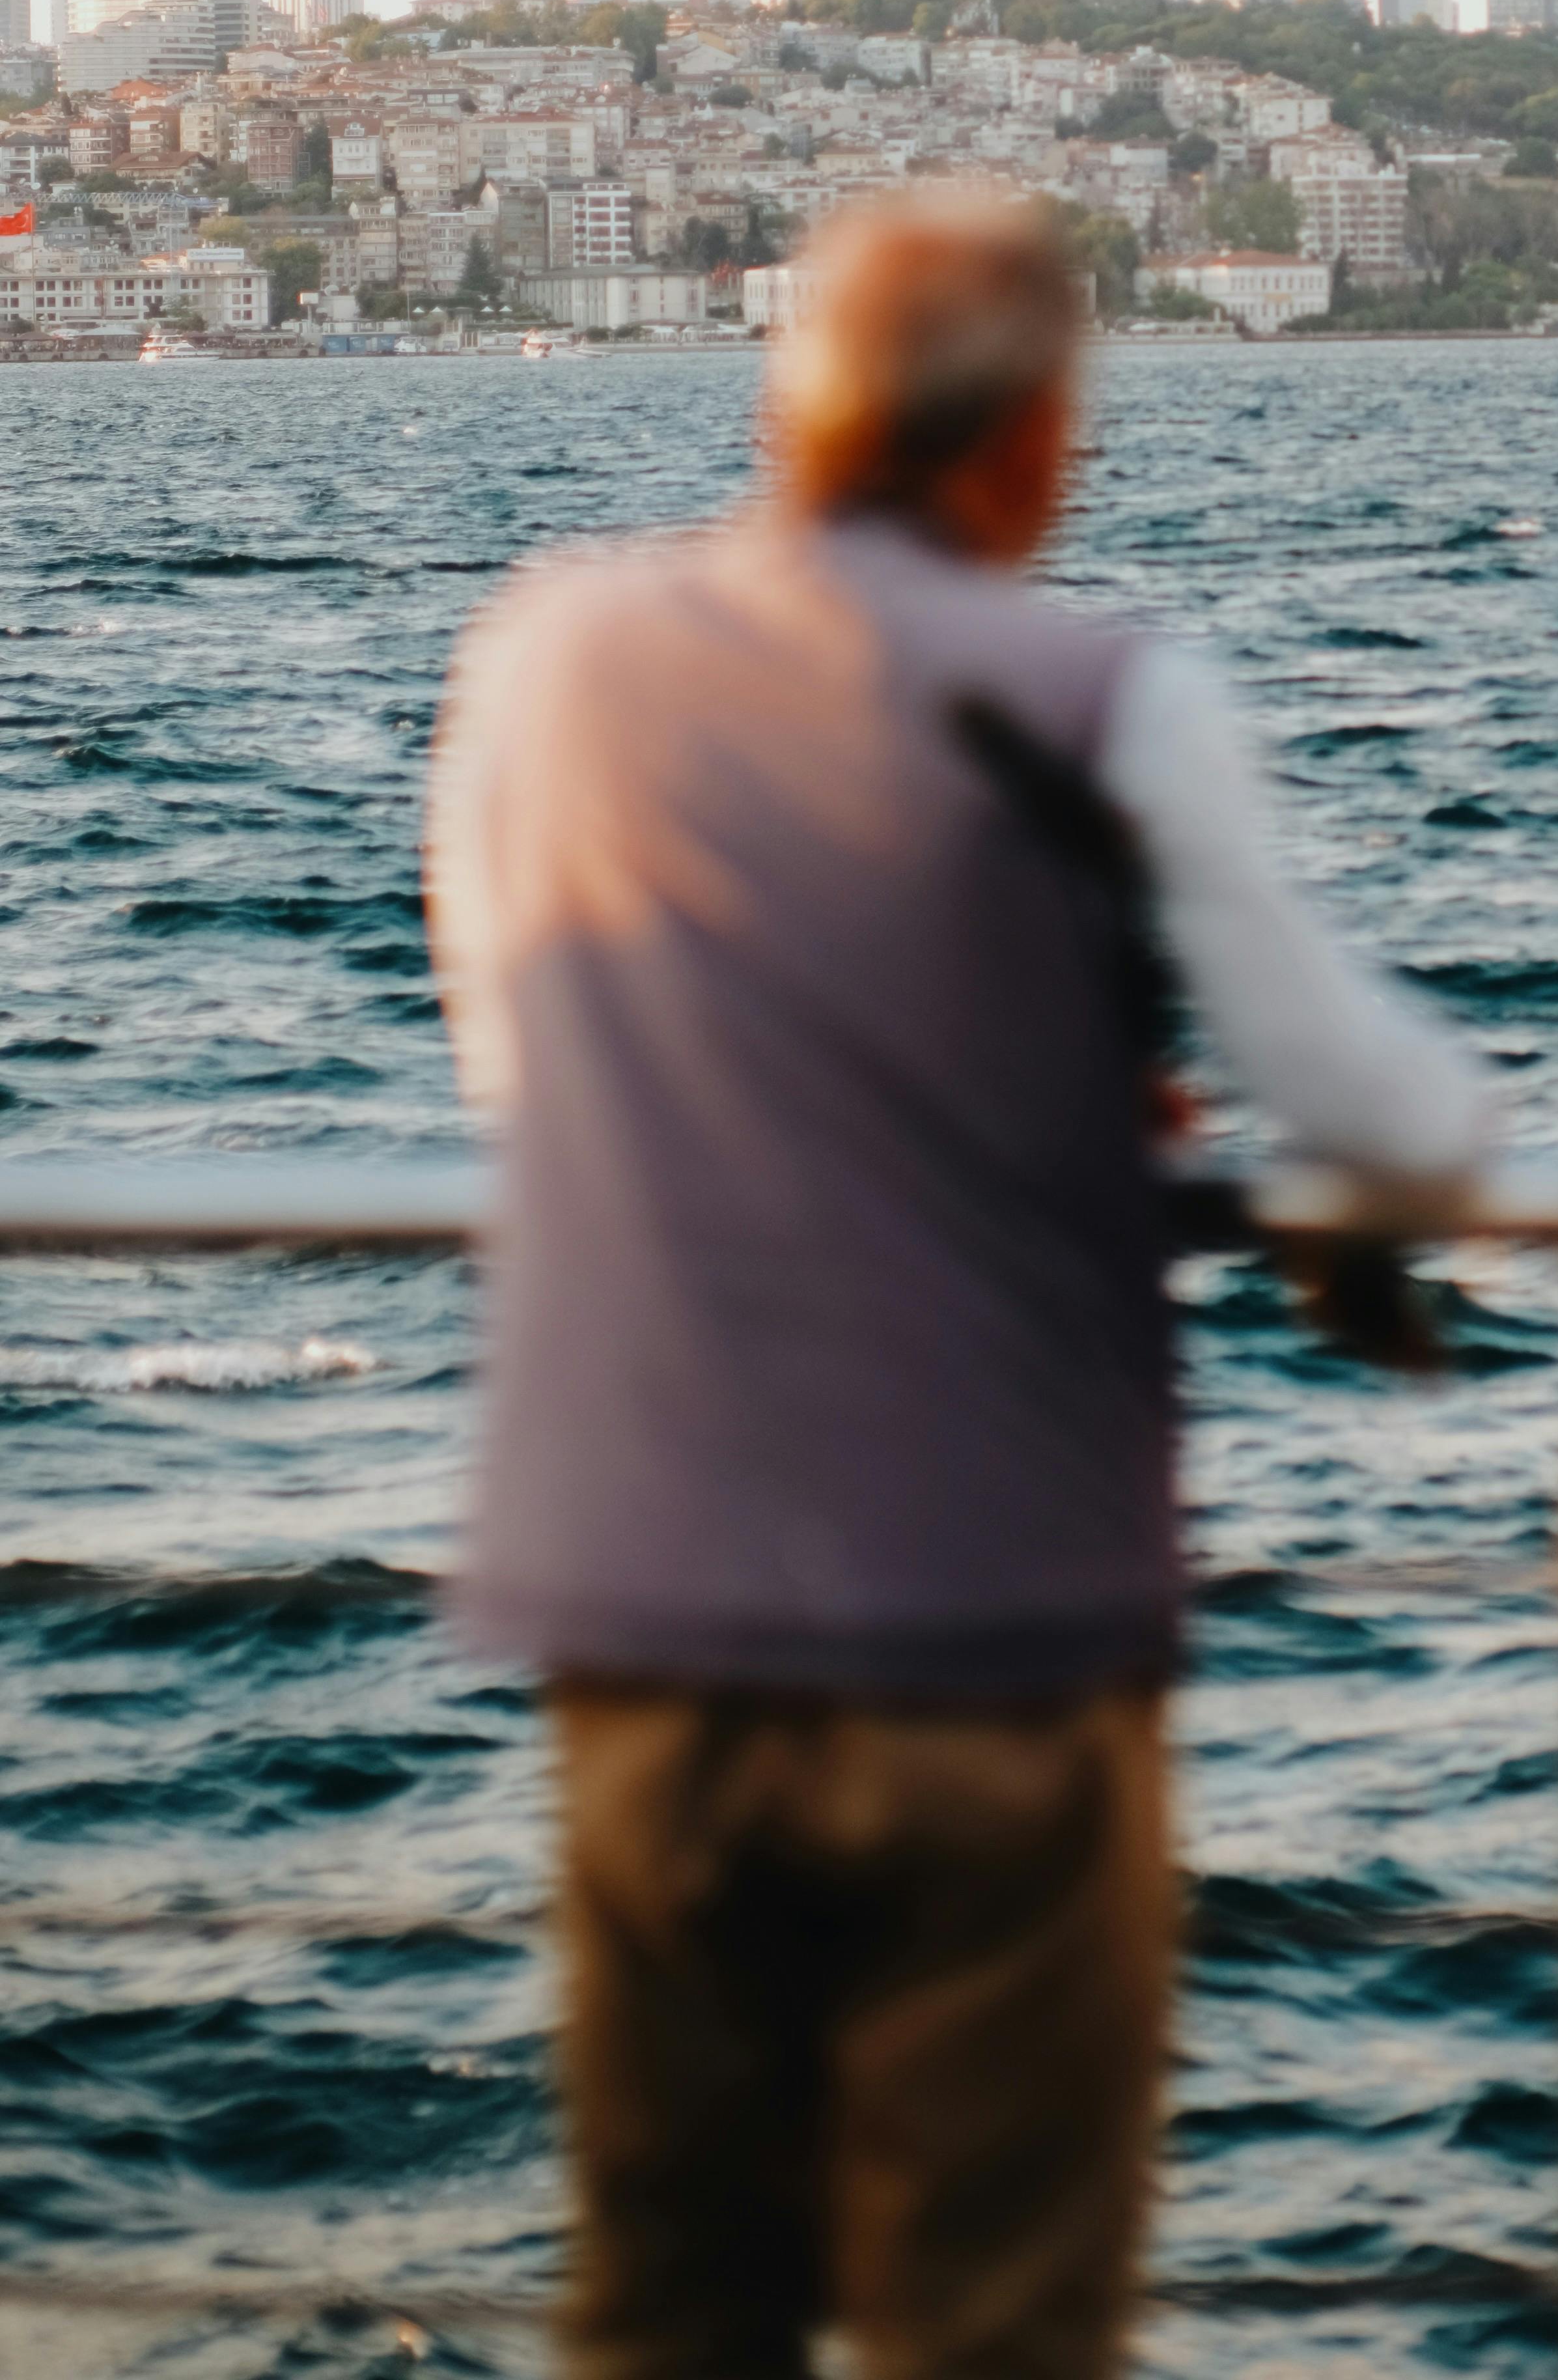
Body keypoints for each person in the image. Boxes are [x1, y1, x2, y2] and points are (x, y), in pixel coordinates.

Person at [425, 192, 1489, 2380]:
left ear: (789, 408)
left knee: (662, 2308)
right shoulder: (1099, 694)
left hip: (647, 1621)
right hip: (991, 1638)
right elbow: (1375, 1112)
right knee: (989, 2327)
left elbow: (528, 1053)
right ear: (1027, 440)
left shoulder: (546, 652)